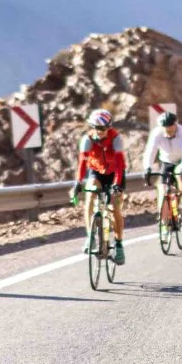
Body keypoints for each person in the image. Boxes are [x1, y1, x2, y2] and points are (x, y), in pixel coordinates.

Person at [75, 108, 128, 266]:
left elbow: (119, 166)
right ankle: (89, 238)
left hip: (115, 173)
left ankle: (119, 245)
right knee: (90, 196)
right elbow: (82, 163)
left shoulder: (116, 139)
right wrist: (78, 182)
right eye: (97, 128)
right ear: (92, 127)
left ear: (109, 127)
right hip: (97, 172)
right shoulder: (87, 140)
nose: (101, 132)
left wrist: (117, 186)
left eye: (104, 129)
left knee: (115, 209)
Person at [143, 109, 182, 230]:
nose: (169, 133)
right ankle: (164, 222)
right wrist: (147, 168)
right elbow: (150, 152)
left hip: (181, 161)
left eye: (171, 129)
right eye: (166, 130)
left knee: (179, 176)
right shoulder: (156, 133)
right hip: (166, 161)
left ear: (176, 125)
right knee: (162, 189)